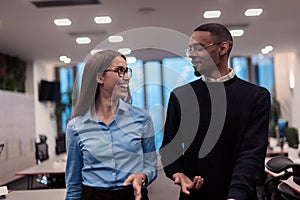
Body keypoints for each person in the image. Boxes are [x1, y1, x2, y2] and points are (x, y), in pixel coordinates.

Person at [160, 23, 271, 199]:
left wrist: (235, 195)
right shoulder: (181, 96)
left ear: (223, 48)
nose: (191, 55)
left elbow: (251, 153)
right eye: (190, 50)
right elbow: (169, 148)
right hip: (194, 195)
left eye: (198, 49)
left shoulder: (256, 96)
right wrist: (177, 173)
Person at [65, 50, 157, 200]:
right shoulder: (76, 127)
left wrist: (142, 176)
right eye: (119, 71)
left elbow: (151, 165)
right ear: (99, 77)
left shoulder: (142, 118)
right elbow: (74, 183)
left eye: (127, 71)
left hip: (132, 195)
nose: (126, 77)